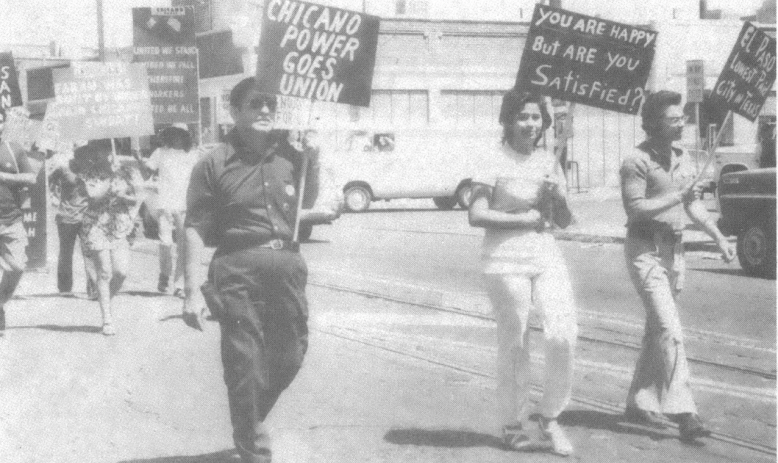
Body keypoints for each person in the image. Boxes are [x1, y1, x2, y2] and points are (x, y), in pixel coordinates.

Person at [182, 77, 320, 463]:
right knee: (245, 364)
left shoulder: (291, 157)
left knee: (290, 355)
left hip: (286, 269)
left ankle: (248, 421)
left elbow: (306, 199)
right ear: (235, 111)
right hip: (236, 271)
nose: (264, 111)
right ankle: (253, 450)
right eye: (256, 104)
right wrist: (191, 290)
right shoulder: (213, 163)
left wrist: (314, 157)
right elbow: (194, 228)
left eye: (270, 105)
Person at [620, 90, 736, 441]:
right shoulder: (636, 160)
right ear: (653, 123)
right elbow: (635, 209)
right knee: (670, 330)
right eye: (673, 119)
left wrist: (717, 236)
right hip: (645, 250)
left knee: (657, 330)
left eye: (681, 117)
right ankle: (686, 411)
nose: (681, 123)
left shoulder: (686, 157)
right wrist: (676, 196)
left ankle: (639, 402)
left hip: (675, 251)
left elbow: (693, 206)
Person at [468, 89, 577, 456]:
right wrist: (522, 218)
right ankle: (512, 424)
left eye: (536, 118)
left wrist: (557, 196)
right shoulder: (492, 158)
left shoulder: (549, 160)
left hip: (543, 250)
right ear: (508, 121)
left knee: (563, 330)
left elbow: (562, 221)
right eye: (523, 117)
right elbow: (476, 214)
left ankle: (550, 417)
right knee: (515, 341)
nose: (531, 124)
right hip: (503, 257)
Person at [72, 140, 138, 336]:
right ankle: (107, 318)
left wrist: (125, 195)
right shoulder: (86, 173)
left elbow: (135, 198)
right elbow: (94, 196)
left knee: (121, 272)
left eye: (107, 150)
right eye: (100, 151)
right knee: (104, 273)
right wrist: (110, 182)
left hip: (119, 226)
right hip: (96, 226)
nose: (105, 154)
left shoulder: (124, 172)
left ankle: (105, 298)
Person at [135, 123, 199, 296]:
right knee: (165, 243)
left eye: (181, 134)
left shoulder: (192, 155)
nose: (177, 137)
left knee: (183, 246)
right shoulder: (160, 153)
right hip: (164, 203)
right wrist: (140, 161)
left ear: (186, 137)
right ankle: (164, 275)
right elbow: (147, 174)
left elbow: (200, 178)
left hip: (184, 205)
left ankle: (178, 284)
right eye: (174, 133)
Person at [0, 110, 36, 336]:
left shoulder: (14, 149)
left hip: (10, 219)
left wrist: (5, 177)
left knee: (18, 268)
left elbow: (30, 177)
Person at [48, 148, 97, 298]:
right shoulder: (63, 168)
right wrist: (54, 195)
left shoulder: (91, 171)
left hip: (86, 216)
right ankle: (65, 288)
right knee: (66, 253)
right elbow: (49, 180)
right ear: (74, 157)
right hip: (66, 217)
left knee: (90, 252)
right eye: (80, 158)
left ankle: (94, 287)